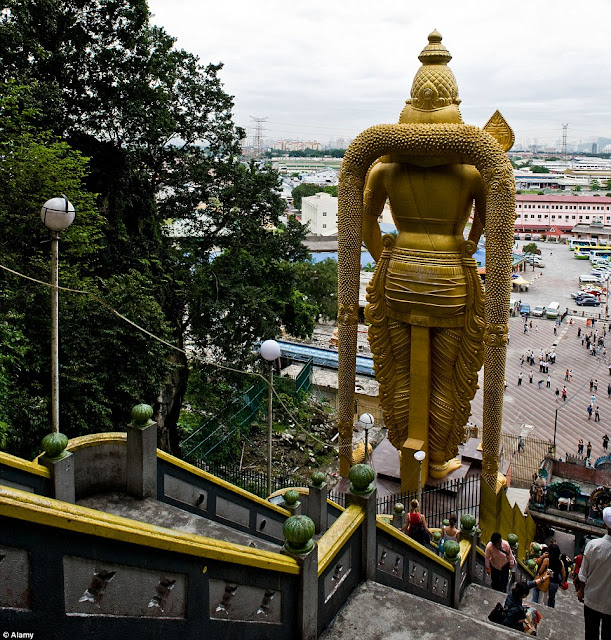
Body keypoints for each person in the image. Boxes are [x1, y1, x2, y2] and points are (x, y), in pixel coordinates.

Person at [577, 506, 611, 640]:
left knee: (591, 634)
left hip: (592, 598)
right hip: (609, 605)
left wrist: (581, 591)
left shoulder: (593, 545)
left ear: (604, 524)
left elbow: (583, 573)